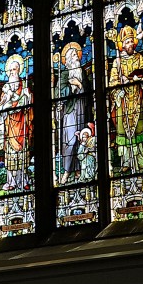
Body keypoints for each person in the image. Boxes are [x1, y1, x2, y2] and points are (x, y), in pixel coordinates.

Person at [108, 25, 143, 174]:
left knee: (138, 130)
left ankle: (141, 160)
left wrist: (135, 78)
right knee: (123, 132)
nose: (130, 44)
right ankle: (125, 161)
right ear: (122, 45)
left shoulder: (139, 58)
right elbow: (112, 82)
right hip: (122, 101)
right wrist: (118, 89)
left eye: (131, 41)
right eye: (126, 42)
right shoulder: (117, 62)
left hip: (137, 98)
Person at [0, 54, 32, 193]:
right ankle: (10, 181)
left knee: (22, 154)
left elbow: (28, 106)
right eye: (10, 71)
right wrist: (5, 103)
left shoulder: (24, 88)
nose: (12, 73)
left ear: (19, 71)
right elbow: (0, 107)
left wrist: (27, 99)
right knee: (10, 155)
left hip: (21, 124)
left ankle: (23, 181)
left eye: (15, 70)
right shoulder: (5, 89)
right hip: (9, 125)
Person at [57, 42, 92, 184]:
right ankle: (66, 171)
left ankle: (79, 169)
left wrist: (80, 85)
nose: (76, 57)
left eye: (77, 54)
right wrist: (70, 89)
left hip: (82, 108)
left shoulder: (82, 72)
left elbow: (88, 91)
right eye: (73, 55)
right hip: (70, 111)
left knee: (81, 139)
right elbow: (58, 92)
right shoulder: (65, 74)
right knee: (70, 141)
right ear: (68, 60)